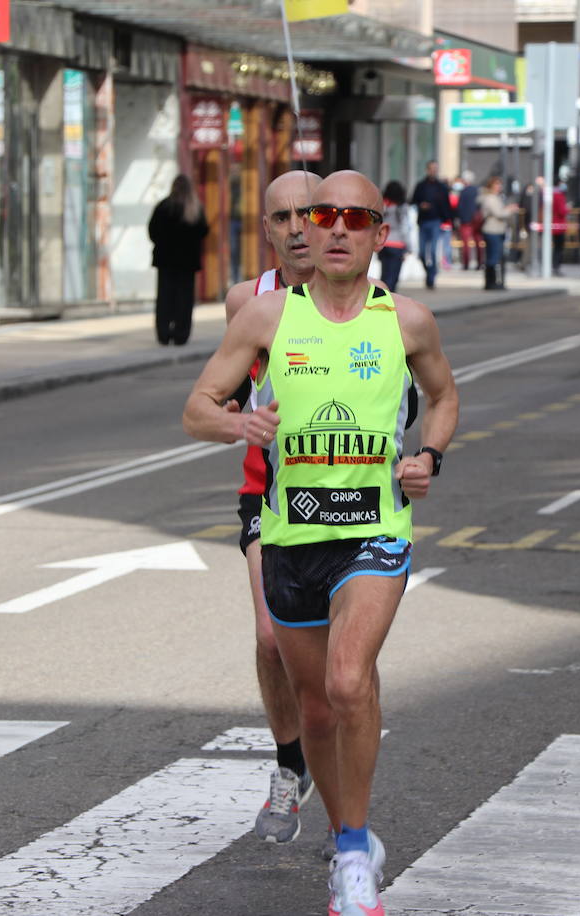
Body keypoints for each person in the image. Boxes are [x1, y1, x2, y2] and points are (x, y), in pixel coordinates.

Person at [182, 170, 459, 916]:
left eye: (350, 218)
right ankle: (346, 835)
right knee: (313, 709)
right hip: (288, 532)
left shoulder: (408, 321)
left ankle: (351, 854)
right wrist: (239, 423)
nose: (331, 229)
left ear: (378, 231)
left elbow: (443, 395)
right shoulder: (264, 316)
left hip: (373, 530)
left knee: (347, 681)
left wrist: (428, 457)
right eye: (318, 216)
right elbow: (197, 408)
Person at [223, 169, 324, 850]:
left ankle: (346, 788)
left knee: (339, 665)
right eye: (281, 217)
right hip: (270, 491)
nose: (295, 229)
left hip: (352, 497)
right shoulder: (246, 300)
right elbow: (222, 392)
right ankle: (292, 766)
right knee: (270, 636)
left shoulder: (367, 300)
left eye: (307, 215)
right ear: (267, 229)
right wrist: (237, 417)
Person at [148, 174, 209, 346]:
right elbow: (203, 231)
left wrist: (163, 243)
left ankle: (164, 333)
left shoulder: (164, 207)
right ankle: (181, 334)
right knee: (184, 299)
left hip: (166, 261)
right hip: (187, 263)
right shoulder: (194, 209)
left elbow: (152, 230)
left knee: (165, 298)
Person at [409, 160, 453, 288]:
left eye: (436, 168)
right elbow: (413, 200)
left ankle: (431, 277)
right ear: (427, 170)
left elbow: (447, 205)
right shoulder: (421, 185)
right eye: (431, 168)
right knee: (422, 252)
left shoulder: (441, 187)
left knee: (433, 251)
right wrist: (420, 205)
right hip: (423, 222)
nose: (434, 171)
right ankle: (429, 271)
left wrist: (448, 220)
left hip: (436, 221)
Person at [479, 175, 514, 290]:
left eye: (500, 184)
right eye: (497, 184)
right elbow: (499, 213)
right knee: (493, 257)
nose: (499, 187)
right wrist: (509, 210)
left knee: (496, 256)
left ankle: (494, 282)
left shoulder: (496, 197)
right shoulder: (490, 198)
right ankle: (491, 282)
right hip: (492, 231)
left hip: (498, 231)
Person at [379, 180, 411, 292]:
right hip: (397, 245)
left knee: (384, 276)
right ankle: (389, 302)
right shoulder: (402, 208)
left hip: (383, 244)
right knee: (393, 278)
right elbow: (405, 228)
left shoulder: (383, 205)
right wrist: (409, 247)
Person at [454, 171, 480, 270]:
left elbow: (459, 207)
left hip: (465, 221)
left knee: (465, 244)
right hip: (476, 220)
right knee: (478, 242)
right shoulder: (477, 190)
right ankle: (479, 262)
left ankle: (466, 264)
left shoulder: (463, 192)